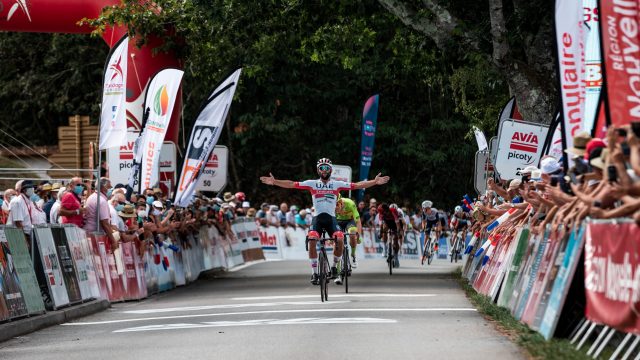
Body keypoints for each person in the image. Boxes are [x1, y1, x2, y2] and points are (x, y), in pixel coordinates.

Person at [260, 157, 390, 285]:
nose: (324, 170)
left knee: (339, 239)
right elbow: (292, 184)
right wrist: (275, 182)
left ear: (330, 170)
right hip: (317, 219)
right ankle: (314, 272)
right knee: (311, 241)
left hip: (331, 219)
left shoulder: (336, 184)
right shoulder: (312, 183)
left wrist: (374, 181)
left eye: (327, 168)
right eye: (321, 168)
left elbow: (356, 185)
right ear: (318, 170)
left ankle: (334, 266)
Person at [84, 177, 118, 250]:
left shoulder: (92, 197)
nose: (111, 189)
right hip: (96, 236)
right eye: (109, 187)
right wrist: (113, 241)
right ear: (103, 187)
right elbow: (104, 223)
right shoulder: (101, 201)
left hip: (90, 234)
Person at [335, 195, 363, 271]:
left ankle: (353, 255)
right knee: (336, 241)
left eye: (337, 204)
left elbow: (358, 221)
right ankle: (337, 265)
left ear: (341, 202)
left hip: (349, 221)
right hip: (337, 221)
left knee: (352, 234)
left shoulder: (350, 204)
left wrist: (359, 235)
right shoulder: (330, 205)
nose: (335, 207)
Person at [7, 180, 37, 248]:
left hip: (28, 234)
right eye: (30, 188)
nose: (32, 189)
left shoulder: (28, 201)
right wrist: (24, 240)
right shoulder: (17, 201)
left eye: (33, 188)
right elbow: (18, 223)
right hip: (20, 235)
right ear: (23, 190)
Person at [377, 203, 402, 267]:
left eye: (386, 212)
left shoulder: (393, 210)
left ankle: (396, 256)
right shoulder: (381, 213)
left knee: (396, 239)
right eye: (383, 212)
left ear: (388, 209)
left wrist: (398, 232)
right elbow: (381, 225)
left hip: (395, 223)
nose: (385, 213)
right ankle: (385, 247)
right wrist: (380, 233)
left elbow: (397, 223)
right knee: (384, 229)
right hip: (387, 222)